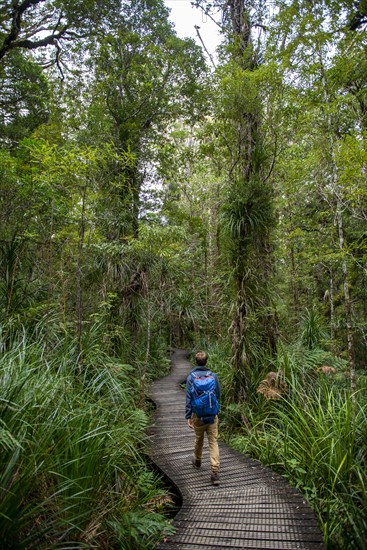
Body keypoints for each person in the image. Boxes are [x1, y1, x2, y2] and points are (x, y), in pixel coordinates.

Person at [185, 350, 221, 485]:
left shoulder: (191, 377)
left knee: (199, 438)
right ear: (206, 361)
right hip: (212, 414)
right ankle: (215, 472)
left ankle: (198, 460)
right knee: (213, 441)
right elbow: (218, 394)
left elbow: (188, 397)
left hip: (198, 415)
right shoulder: (213, 376)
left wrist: (188, 415)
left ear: (196, 362)